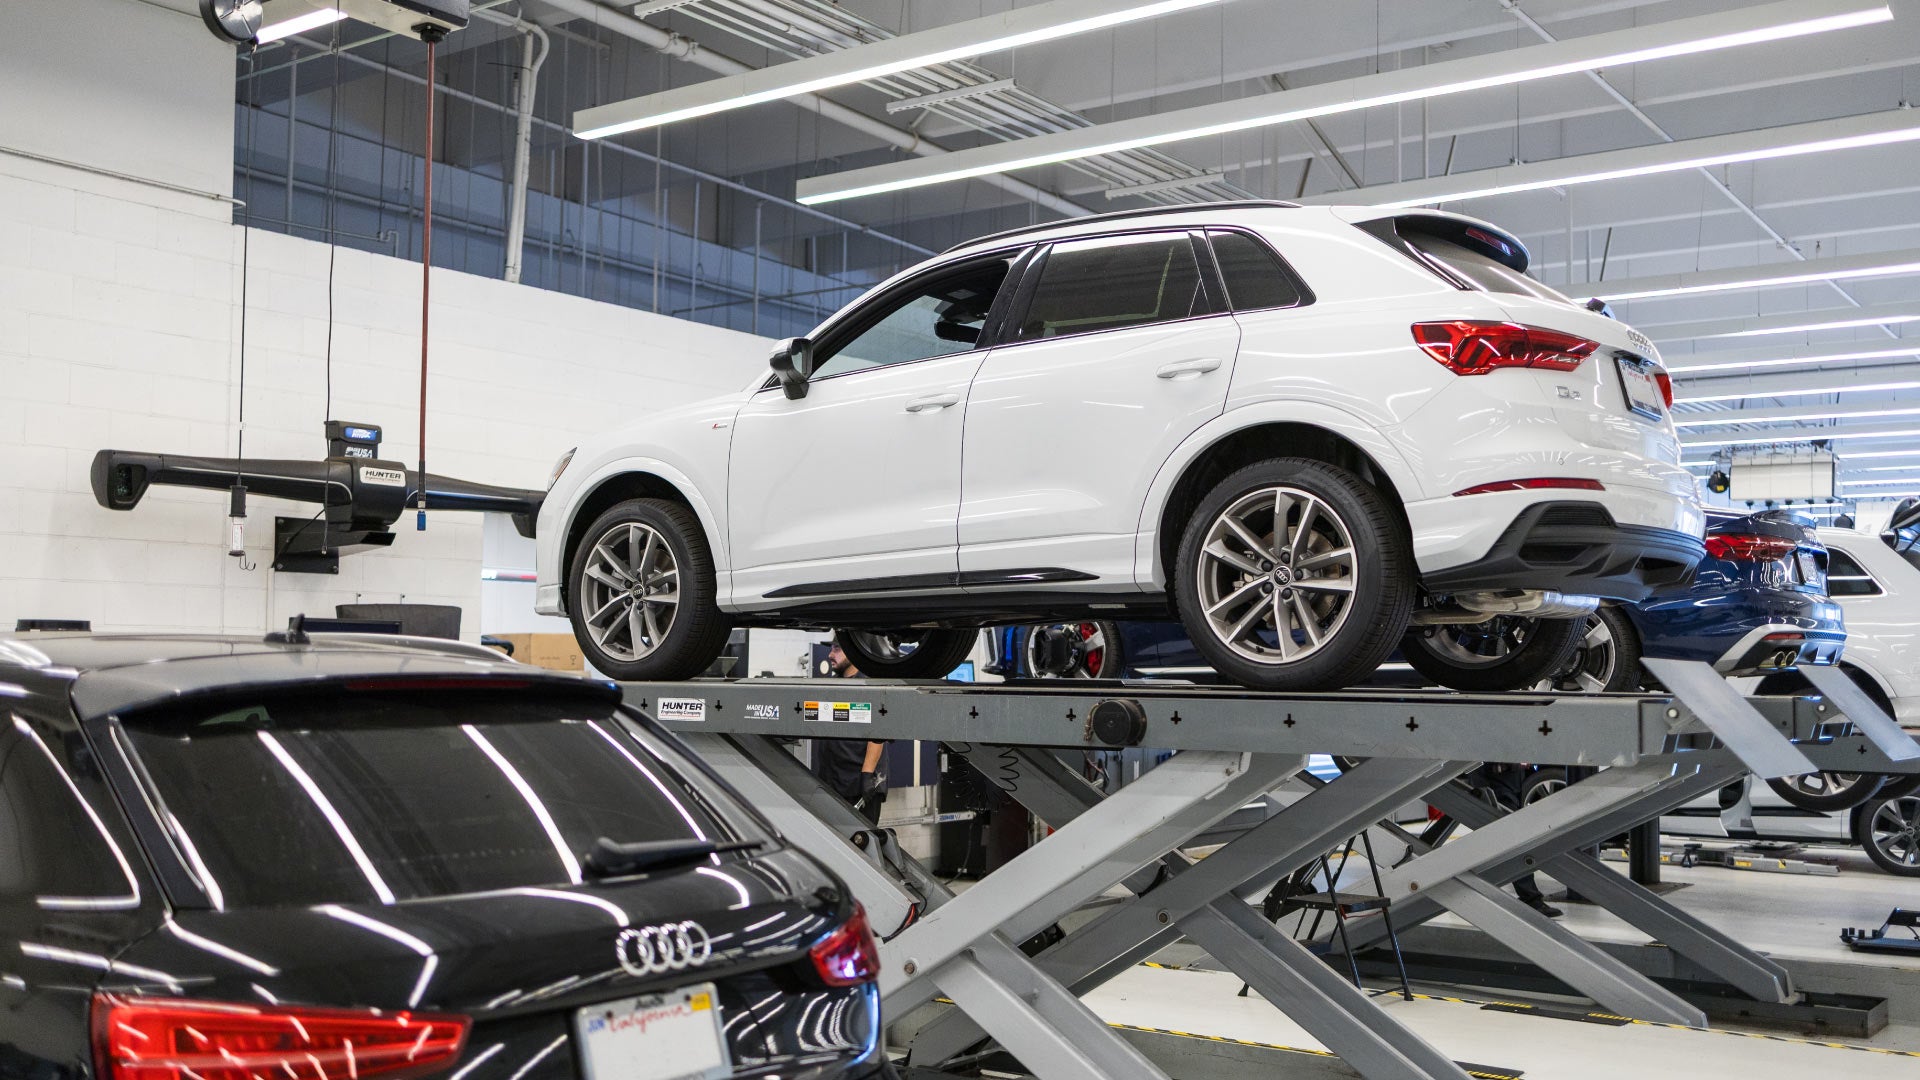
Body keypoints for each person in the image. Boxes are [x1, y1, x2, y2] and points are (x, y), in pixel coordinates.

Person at [1469, 762, 1563, 918]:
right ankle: (1531, 898)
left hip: (1512, 779)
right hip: (1496, 781)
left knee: (1503, 843)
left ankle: (1528, 898)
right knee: (1514, 842)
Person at [811, 642, 889, 825]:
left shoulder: (869, 685)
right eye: (831, 648)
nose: (830, 654)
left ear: (855, 650)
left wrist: (867, 776)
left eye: (837, 648)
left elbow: (877, 735)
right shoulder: (833, 685)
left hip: (859, 786)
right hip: (832, 782)